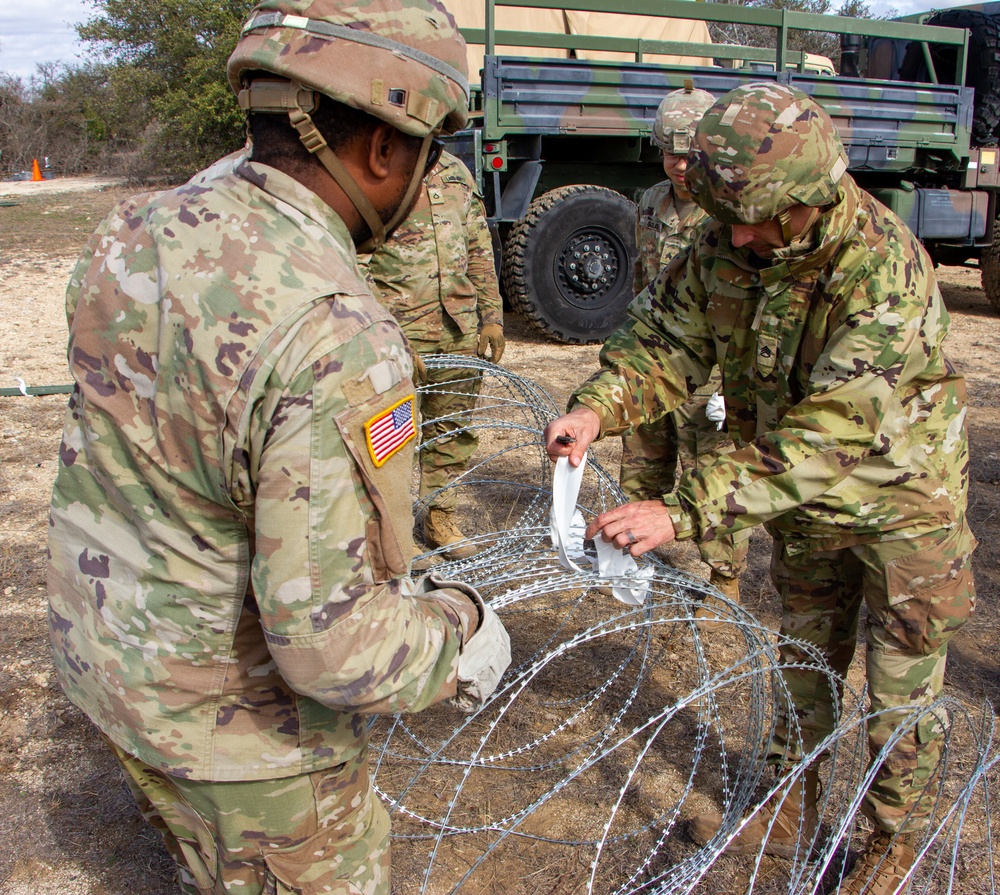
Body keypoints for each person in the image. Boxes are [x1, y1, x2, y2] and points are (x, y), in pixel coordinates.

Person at [45, 2, 511, 893]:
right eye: (428, 150)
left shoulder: (131, 231)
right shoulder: (336, 334)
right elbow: (330, 645)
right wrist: (461, 634)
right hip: (243, 739)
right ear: (384, 150)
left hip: (111, 671)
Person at [543, 83, 975, 894]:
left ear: (811, 196)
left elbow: (836, 430)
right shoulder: (730, 242)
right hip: (797, 504)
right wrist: (597, 408)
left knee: (900, 694)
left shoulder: (883, 269)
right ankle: (786, 800)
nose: (737, 235)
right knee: (803, 662)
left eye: (757, 218)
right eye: (725, 214)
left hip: (902, 510)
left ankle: (885, 842)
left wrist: (685, 508)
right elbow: (666, 336)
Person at [623, 83, 750, 621]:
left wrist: (733, 384)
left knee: (712, 476)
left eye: (689, 153)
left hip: (712, 376)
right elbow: (641, 279)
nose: (679, 165)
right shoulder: (650, 203)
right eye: (671, 153)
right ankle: (632, 561)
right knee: (642, 466)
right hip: (659, 364)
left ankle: (725, 579)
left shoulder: (729, 212)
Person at [362, 149, 504, 561]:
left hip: (457, 329)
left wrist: (491, 317)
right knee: (389, 438)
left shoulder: (456, 172)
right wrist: (383, 332)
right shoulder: (382, 167)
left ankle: (440, 518)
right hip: (397, 335)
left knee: (451, 431)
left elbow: (479, 246)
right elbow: (354, 260)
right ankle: (391, 528)